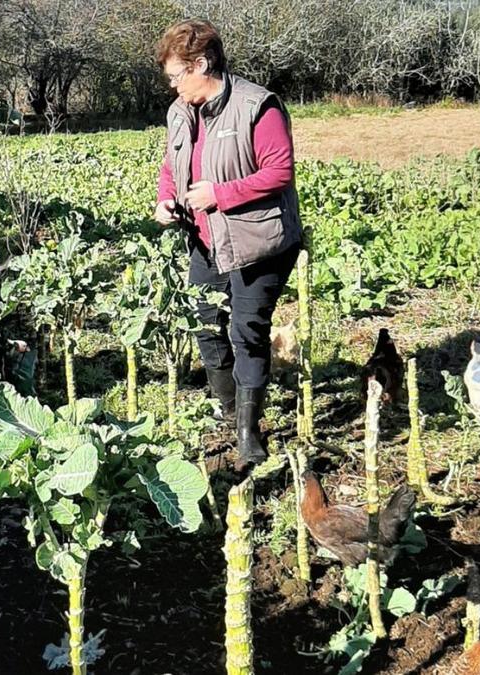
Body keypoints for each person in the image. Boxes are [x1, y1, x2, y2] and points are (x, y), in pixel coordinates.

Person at [153, 19, 304, 467]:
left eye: (177, 75)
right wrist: (166, 201)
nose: (174, 86)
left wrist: (220, 194)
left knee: (246, 331)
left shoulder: (258, 106)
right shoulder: (180, 112)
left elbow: (279, 172)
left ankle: (247, 431)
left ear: (202, 64)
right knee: (205, 324)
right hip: (205, 239)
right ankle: (227, 409)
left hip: (259, 240)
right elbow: (170, 165)